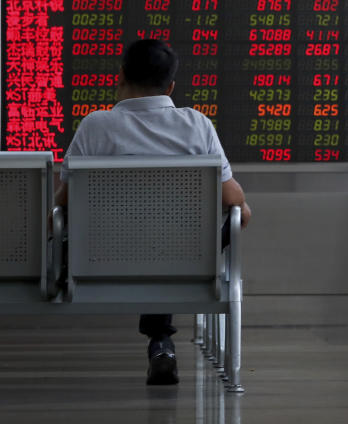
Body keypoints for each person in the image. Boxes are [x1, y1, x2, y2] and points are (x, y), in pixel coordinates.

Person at [55, 39, 253, 386]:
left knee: (76, 227)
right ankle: (161, 340)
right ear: (171, 86)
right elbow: (230, 196)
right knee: (234, 216)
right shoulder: (197, 124)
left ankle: (160, 340)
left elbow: (65, 201)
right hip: (184, 260)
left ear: (120, 76)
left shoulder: (94, 126)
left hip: (101, 260)